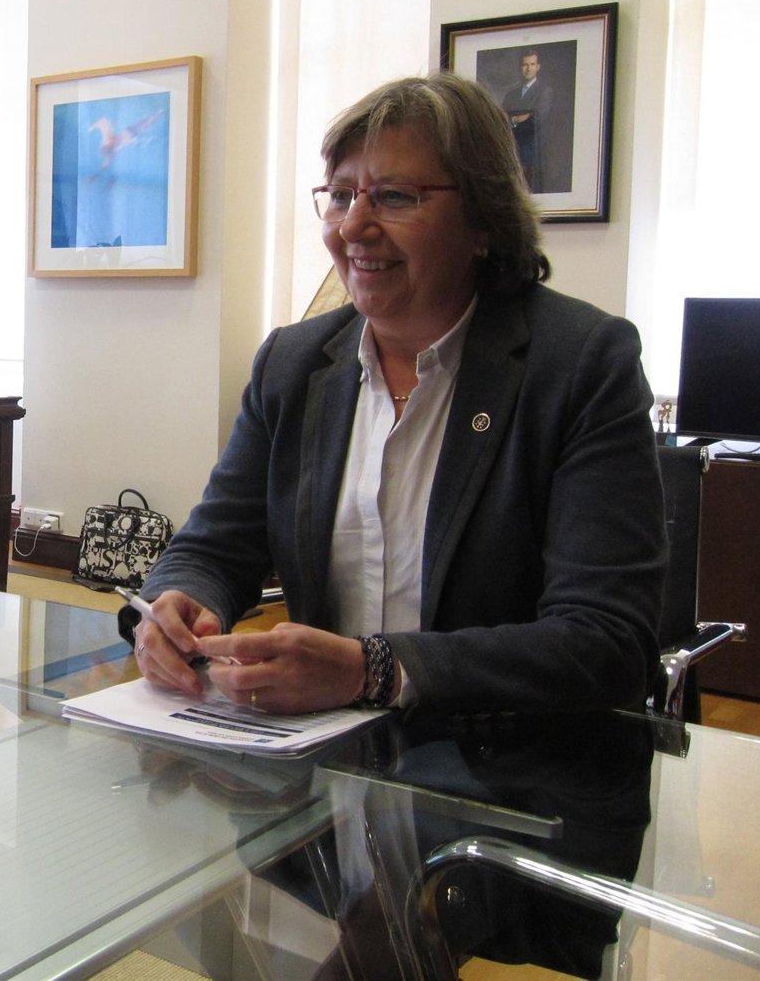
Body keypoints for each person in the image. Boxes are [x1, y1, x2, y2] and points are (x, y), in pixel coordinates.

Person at [130, 73, 665, 718]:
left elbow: (607, 642)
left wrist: (375, 671)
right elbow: (214, 548)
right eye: (341, 195)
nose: (354, 227)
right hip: (320, 754)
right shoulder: (293, 363)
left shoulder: (582, 364)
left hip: (509, 758)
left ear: (484, 221)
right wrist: (177, 603)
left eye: (394, 197)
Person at [501, 50, 553, 191]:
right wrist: (522, 117)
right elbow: (501, 120)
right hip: (512, 152)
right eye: (525, 65)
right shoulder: (511, 95)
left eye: (532, 64)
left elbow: (536, 120)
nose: (528, 68)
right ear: (521, 67)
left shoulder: (544, 91)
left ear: (538, 67)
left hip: (531, 153)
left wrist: (512, 119)